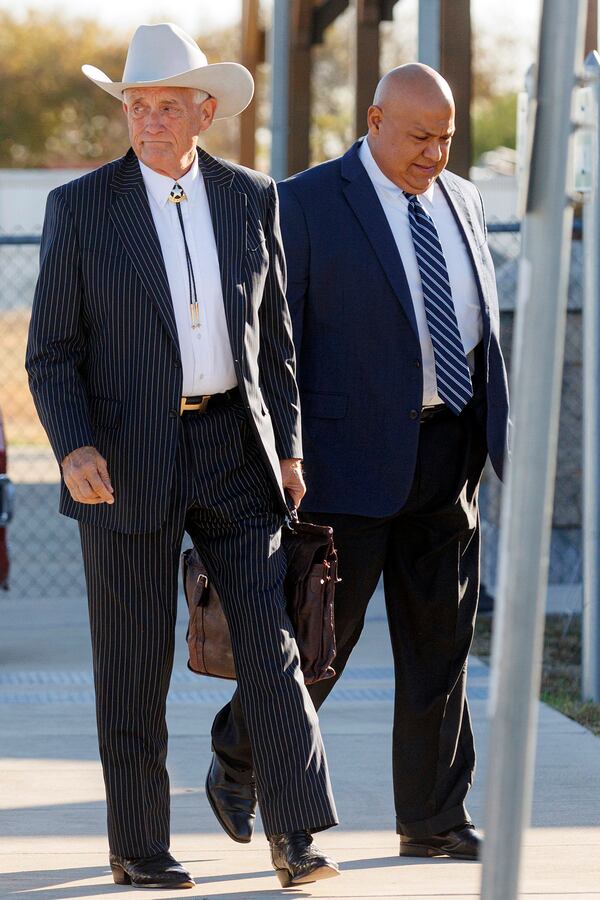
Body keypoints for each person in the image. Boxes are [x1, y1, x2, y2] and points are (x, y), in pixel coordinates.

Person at [26, 22, 340, 891]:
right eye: (137, 104)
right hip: (123, 457)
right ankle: (139, 848)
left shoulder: (250, 197)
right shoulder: (81, 208)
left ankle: (297, 838)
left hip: (235, 447)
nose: (150, 119)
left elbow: (275, 341)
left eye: (168, 105)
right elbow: (49, 350)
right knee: (132, 662)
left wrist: (290, 448)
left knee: (273, 649)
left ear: (205, 112)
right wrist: (74, 443)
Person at [209, 63, 510, 861]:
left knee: (440, 647)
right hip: (341, 465)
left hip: (448, 454)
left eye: (446, 138)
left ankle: (434, 818)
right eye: (419, 137)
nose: (434, 155)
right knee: (316, 649)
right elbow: (273, 344)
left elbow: (478, 328)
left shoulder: (465, 200)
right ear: (374, 119)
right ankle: (242, 755)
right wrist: (282, 452)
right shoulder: (303, 203)